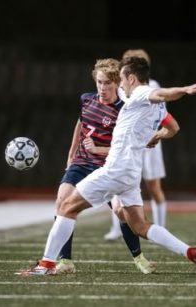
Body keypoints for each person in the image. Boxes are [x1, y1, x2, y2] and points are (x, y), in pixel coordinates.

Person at [20, 56, 196, 277]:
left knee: (66, 207)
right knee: (140, 226)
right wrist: (157, 135)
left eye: (122, 79)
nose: (120, 84)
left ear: (132, 79)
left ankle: (46, 265)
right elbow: (173, 128)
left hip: (115, 168)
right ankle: (190, 251)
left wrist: (185, 89)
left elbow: (162, 93)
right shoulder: (152, 106)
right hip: (132, 174)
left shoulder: (142, 94)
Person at [42, 58, 159, 274]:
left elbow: (124, 147)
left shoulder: (124, 110)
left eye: (107, 83)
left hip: (108, 166)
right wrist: (71, 153)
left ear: (117, 84)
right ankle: (65, 261)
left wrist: (98, 149)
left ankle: (139, 258)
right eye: (99, 82)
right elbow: (81, 123)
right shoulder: (86, 100)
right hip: (81, 162)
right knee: (62, 201)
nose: (102, 88)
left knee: (121, 212)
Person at [104, 49, 170, 241]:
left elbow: (161, 114)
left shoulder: (153, 86)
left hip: (149, 141)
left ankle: (160, 227)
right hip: (127, 144)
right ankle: (117, 227)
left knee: (153, 186)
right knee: (118, 182)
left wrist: (156, 134)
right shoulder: (120, 87)